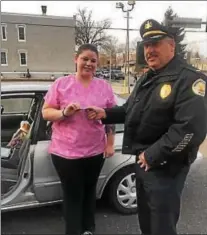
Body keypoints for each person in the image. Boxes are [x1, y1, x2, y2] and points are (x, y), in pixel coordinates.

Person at [86, 19, 207, 235]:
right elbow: (130, 110)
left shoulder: (189, 80)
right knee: (146, 223)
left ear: (172, 45)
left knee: (161, 227)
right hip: (143, 163)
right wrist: (106, 114)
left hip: (166, 167)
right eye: (146, 45)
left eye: (156, 44)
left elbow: (190, 129)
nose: (149, 50)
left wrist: (152, 155)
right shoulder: (147, 78)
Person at [42, 43, 116, 235]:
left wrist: (109, 143)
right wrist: (65, 112)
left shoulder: (104, 87)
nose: (89, 63)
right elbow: (46, 113)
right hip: (66, 153)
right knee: (73, 194)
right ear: (76, 59)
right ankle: (74, 230)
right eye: (85, 59)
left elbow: (112, 116)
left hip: (94, 151)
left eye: (93, 60)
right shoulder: (61, 84)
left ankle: (88, 229)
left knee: (90, 191)